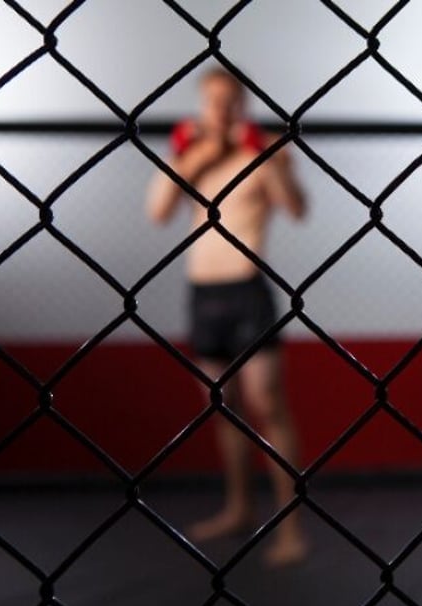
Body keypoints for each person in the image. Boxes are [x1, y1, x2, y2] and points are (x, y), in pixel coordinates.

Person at [145, 66, 307, 566]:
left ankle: (291, 529)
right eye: (212, 101)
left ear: (242, 105)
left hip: (247, 290)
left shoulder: (264, 151)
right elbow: (158, 210)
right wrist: (202, 156)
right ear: (201, 105)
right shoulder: (188, 152)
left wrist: (269, 156)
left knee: (267, 404)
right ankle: (238, 508)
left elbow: (295, 207)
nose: (220, 110)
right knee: (222, 408)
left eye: (229, 101)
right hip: (202, 293)